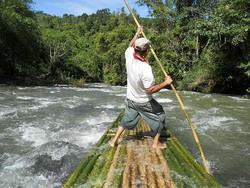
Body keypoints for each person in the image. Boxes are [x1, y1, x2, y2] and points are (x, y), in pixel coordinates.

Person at [109, 26, 172, 149]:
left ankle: (114, 141)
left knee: (128, 118)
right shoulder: (145, 69)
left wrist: (136, 34)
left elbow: (130, 46)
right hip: (143, 101)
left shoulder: (129, 55)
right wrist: (166, 83)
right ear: (146, 52)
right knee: (160, 115)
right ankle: (156, 143)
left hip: (130, 99)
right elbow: (150, 90)